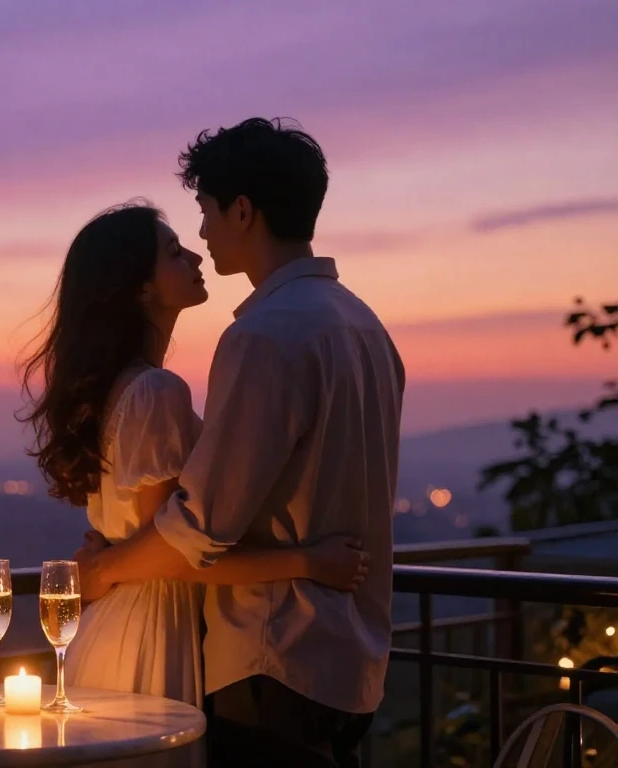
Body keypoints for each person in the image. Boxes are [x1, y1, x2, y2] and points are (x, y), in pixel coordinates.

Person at [76, 119, 405, 768]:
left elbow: (201, 526)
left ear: (243, 211)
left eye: (206, 213)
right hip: (355, 658)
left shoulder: (264, 337)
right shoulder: (367, 328)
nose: (202, 235)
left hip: (274, 654)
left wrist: (105, 568)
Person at [18, 201, 371, 766]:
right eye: (173, 252)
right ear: (139, 289)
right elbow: (183, 554)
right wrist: (309, 561)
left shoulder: (122, 389)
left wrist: (108, 559)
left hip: (116, 619)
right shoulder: (157, 392)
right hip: (154, 625)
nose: (194, 255)